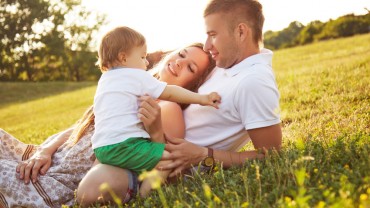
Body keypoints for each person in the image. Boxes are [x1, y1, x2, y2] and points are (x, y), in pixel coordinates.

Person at [0, 42, 216, 207]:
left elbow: (162, 166)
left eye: (191, 67)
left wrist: (156, 131)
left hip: (66, 180)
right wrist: (44, 151)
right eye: (181, 54)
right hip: (51, 159)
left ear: (192, 85)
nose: (180, 62)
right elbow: (82, 126)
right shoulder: (128, 82)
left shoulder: (168, 108)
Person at [92, 26, 220, 196]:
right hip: (124, 145)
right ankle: (145, 199)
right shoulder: (137, 77)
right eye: (142, 57)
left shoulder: (106, 80)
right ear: (123, 58)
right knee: (169, 158)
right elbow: (171, 91)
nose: (146, 63)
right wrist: (202, 99)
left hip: (101, 149)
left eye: (191, 68)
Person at [159, 0, 282, 176]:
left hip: (166, 171)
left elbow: (271, 155)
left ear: (241, 32)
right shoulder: (226, 62)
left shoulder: (253, 82)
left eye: (213, 35)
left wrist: (204, 155)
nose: (207, 46)